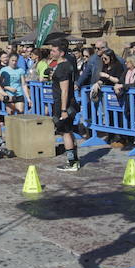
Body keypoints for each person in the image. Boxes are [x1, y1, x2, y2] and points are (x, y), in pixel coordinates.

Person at [50, 40, 81, 172]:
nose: (51, 52)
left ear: (61, 53)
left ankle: (71, 162)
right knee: (69, 132)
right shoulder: (63, 65)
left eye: (54, 51)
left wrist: (63, 110)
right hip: (64, 103)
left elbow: (65, 90)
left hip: (63, 104)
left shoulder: (63, 67)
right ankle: (74, 160)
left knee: (65, 132)